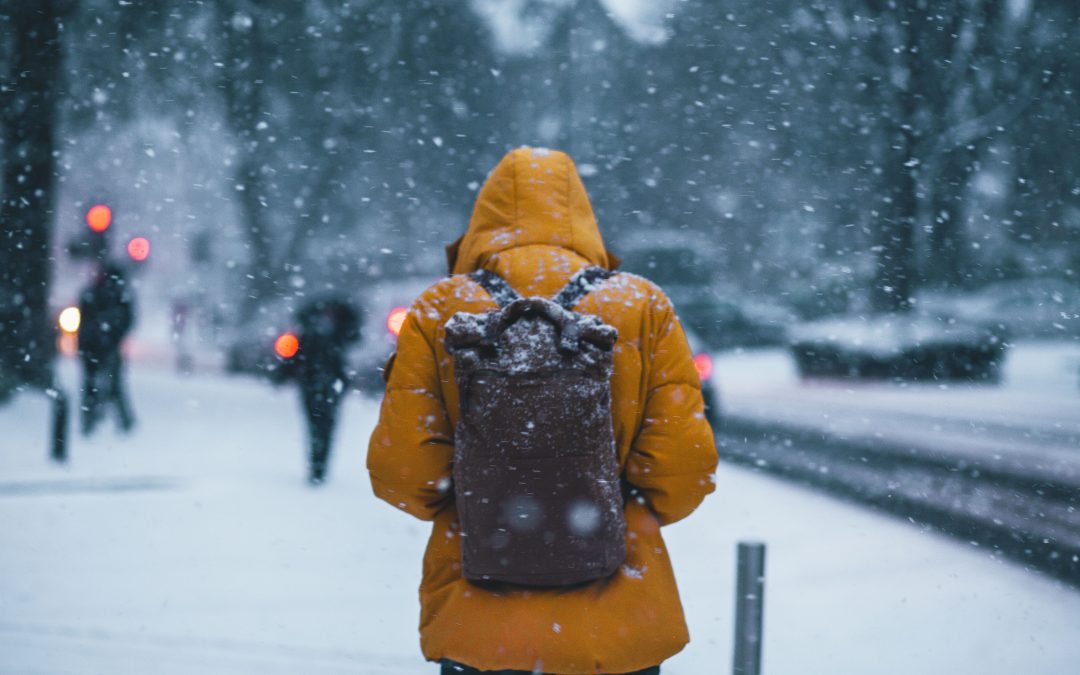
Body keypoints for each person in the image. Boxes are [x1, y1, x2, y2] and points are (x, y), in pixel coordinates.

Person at [367, 147, 718, 674]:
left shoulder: (440, 310)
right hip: (619, 629)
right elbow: (684, 471)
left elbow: (402, 475)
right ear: (581, 216)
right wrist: (607, 510)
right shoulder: (642, 306)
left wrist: (484, 502)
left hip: (479, 628)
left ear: (482, 221)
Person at [279, 297, 360, 484]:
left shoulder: (314, 332)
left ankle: (318, 466)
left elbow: (293, 357)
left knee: (319, 426)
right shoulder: (335, 334)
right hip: (324, 385)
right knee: (322, 426)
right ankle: (319, 466)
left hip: (317, 385)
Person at [78, 262, 135, 435]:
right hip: (103, 346)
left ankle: (90, 420)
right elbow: (127, 320)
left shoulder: (93, 293)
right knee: (112, 384)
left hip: (93, 345)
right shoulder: (119, 295)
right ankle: (121, 421)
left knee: (93, 384)